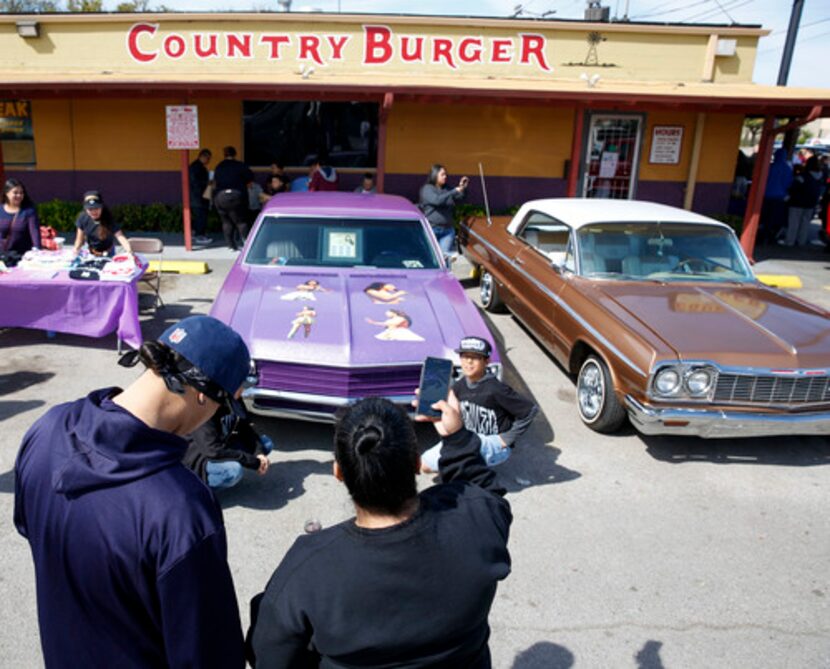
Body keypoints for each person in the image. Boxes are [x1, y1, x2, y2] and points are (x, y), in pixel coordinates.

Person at [14, 315, 251, 668]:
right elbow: (207, 652)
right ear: (203, 395)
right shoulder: (182, 510)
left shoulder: (47, 428)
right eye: (224, 406)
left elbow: (29, 526)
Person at [246, 394, 512, 667]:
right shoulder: (475, 521)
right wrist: (457, 440)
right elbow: (486, 493)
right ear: (416, 463)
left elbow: (269, 656)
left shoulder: (310, 568)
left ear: (338, 472)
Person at [421, 336, 538, 474]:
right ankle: (469, 466)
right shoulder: (460, 385)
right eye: (464, 356)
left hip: (492, 442)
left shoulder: (495, 388)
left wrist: (507, 438)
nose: (469, 361)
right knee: (425, 464)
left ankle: (473, 470)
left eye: (475, 358)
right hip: (470, 437)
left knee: (454, 465)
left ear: (486, 361)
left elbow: (530, 410)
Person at [184, 402, 274, 489]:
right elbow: (213, 451)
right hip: (199, 456)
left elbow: (245, 428)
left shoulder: (234, 399)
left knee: (266, 444)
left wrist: (259, 453)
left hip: (222, 445)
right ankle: (197, 488)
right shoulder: (205, 407)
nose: (243, 389)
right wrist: (253, 462)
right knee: (233, 471)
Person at [418, 163, 468, 254]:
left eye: (446, 174)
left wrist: (462, 187)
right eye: (442, 174)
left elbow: (459, 199)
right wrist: (453, 191)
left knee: (445, 258)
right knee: (431, 256)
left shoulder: (447, 189)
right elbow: (436, 200)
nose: (445, 177)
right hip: (432, 229)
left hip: (447, 231)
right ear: (434, 175)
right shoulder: (427, 189)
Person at [214, 145, 255, 251]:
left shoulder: (219, 166)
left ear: (224, 155)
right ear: (235, 154)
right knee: (241, 221)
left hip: (220, 196)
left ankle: (230, 245)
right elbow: (250, 179)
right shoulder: (240, 166)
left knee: (226, 221)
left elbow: (215, 181)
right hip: (237, 195)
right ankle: (247, 244)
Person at [72, 190, 133, 257]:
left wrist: (129, 251)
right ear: (86, 209)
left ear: (101, 207)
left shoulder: (109, 218)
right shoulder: (82, 217)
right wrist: (75, 250)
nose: (94, 212)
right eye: (90, 209)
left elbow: (120, 236)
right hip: (91, 252)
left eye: (96, 208)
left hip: (108, 253)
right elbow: (79, 239)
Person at [782, 155, 824, 247]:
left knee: (794, 222)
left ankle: (790, 241)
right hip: (811, 203)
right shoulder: (820, 177)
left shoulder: (803, 176)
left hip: (797, 202)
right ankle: (801, 241)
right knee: (805, 223)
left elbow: (793, 188)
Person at [759, 148, 794, 245]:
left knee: (763, 217)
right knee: (774, 219)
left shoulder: (770, 167)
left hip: (766, 195)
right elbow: (788, 183)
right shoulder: (787, 169)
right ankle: (770, 236)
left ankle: (762, 235)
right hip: (779, 197)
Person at [0, 177, 40, 255]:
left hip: (21, 256)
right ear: (6, 193)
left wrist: (37, 250)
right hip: (2, 255)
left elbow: (35, 234)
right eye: (15, 192)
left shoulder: (29, 212)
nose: (19, 195)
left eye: (21, 193)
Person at [189, 148, 213, 244]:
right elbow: (195, 182)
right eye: (208, 158)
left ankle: (196, 234)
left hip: (197, 196)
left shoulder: (196, 166)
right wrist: (208, 182)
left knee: (199, 216)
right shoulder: (196, 167)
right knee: (201, 216)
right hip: (198, 196)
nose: (208, 161)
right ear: (202, 156)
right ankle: (200, 236)